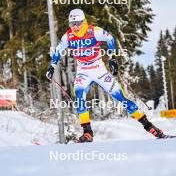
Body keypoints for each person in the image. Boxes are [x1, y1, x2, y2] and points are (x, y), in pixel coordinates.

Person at [46, 9, 165, 142]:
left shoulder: (94, 31)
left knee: (121, 98)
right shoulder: (67, 36)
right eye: (72, 23)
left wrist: (112, 58)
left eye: (78, 23)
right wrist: (52, 66)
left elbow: (109, 38)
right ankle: (87, 132)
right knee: (79, 97)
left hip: (99, 71)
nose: (75, 27)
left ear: (83, 21)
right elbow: (58, 50)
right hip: (83, 72)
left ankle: (149, 126)